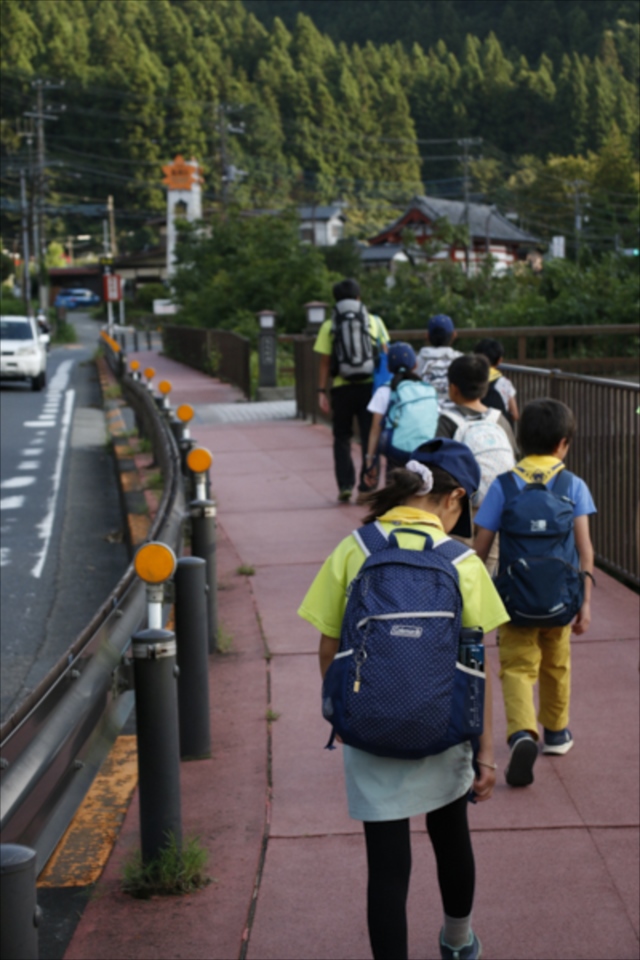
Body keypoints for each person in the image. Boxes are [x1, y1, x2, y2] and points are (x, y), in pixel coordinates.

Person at [298, 439, 509, 960]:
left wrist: (343, 712)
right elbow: (476, 669)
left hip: (369, 728)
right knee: (450, 835)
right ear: (454, 496)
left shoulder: (356, 546)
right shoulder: (462, 561)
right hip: (443, 726)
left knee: (387, 866)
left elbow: (327, 646)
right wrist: (485, 753)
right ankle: (458, 942)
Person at [474, 398, 596, 788]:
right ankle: (557, 733)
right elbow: (585, 549)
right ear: (564, 443)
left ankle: (523, 732)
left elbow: (480, 546)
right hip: (560, 599)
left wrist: (477, 595)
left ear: (520, 441)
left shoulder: (503, 486)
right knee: (556, 662)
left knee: (516, 666)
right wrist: (586, 601)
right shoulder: (573, 485)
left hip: (513, 599)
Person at [436, 354, 517, 574]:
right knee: (490, 562)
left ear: (453, 388)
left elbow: (439, 468)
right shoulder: (499, 419)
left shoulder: (447, 420)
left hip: (461, 508)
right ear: (484, 388)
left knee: (457, 560)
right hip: (497, 504)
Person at [316, 278, 389, 503]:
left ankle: (345, 485)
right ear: (359, 298)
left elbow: (325, 362)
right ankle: (368, 486)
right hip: (371, 388)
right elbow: (385, 353)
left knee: (342, 437)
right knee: (371, 437)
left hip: (341, 388)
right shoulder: (374, 321)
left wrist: (321, 390)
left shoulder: (330, 326)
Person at [363, 341, 438, 488]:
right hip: (425, 450)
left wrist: (370, 460)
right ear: (415, 365)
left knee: (394, 491)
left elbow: (375, 429)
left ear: (388, 367)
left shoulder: (385, 391)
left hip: (397, 452)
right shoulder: (427, 389)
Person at [415, 314, 462, 402]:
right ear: (454, 335)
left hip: (425, 411)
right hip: (455, 412)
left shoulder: (416, 362)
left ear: (427, 336)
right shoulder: (463, 361)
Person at [473, 338, 519, 426]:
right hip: (499, 429)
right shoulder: (505, 383)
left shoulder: (469, 379)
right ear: (499, 360)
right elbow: (515, 415)